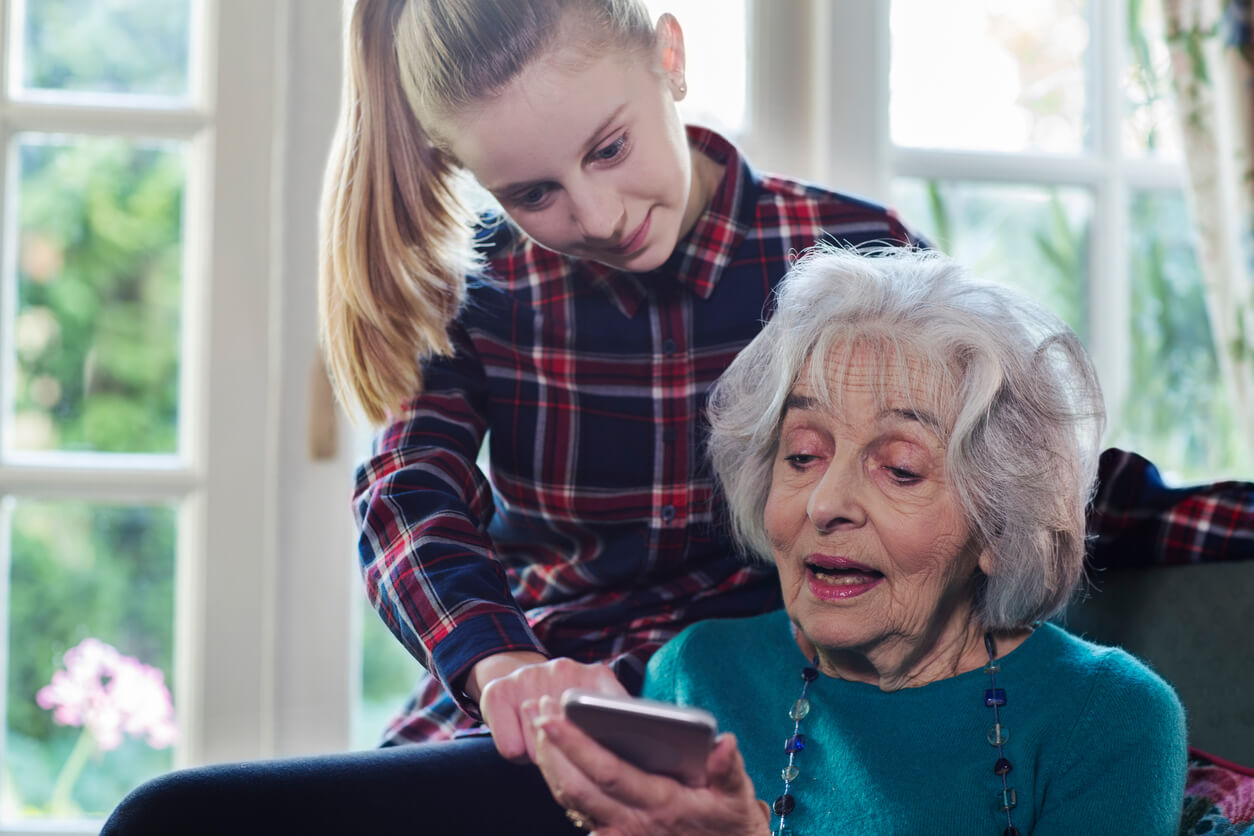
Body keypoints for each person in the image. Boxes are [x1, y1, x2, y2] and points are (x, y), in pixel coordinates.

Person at [100, 0, 1247, 832]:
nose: (594, 213)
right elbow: (406, 498)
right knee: (171, 820)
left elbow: (1000, 466)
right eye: (533, 192)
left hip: (743, 729)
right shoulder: (484, 289)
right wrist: (503, 666)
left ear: (671, 55)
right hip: (540, 718)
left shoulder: (838, 257)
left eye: (608, 149)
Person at [527, 246, 1189, 835]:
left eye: (900, 468)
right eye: (803, 455)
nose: (826, 503)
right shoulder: (694, 677)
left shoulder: (1109, 717)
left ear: (999, 523)